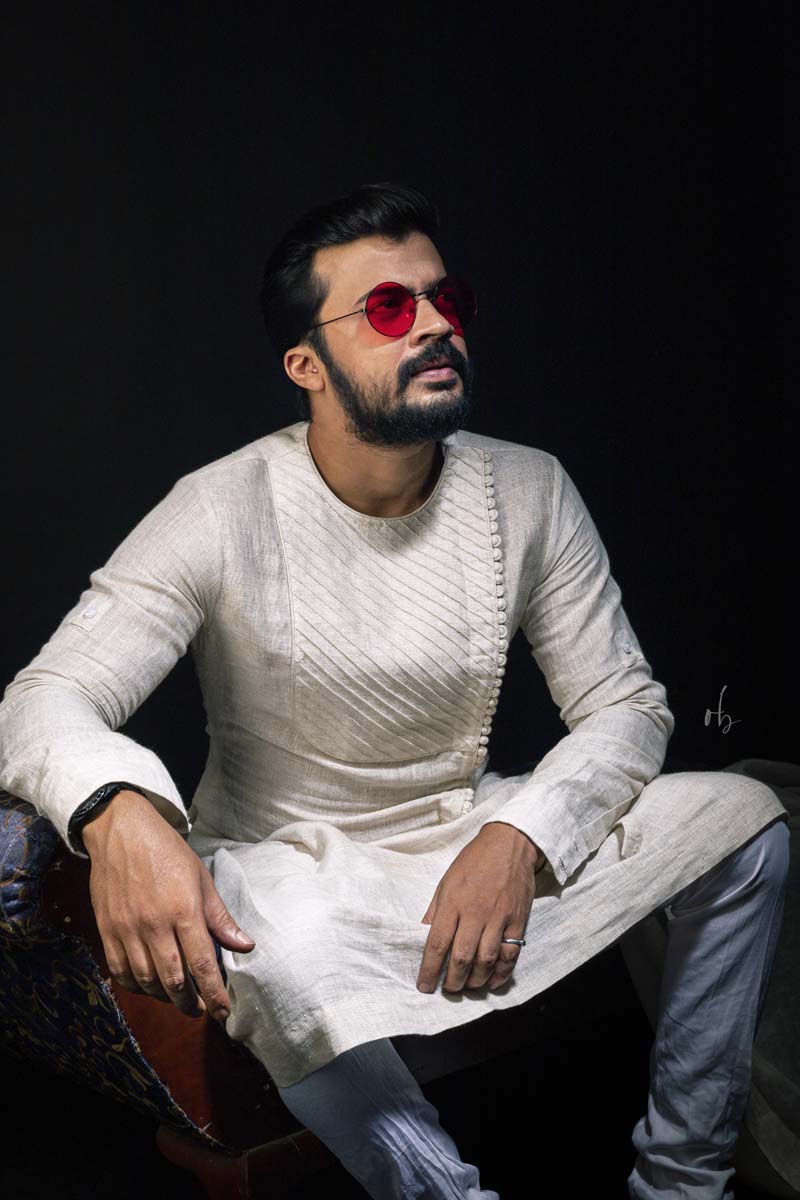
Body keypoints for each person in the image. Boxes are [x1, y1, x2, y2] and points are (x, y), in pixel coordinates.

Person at [0, 182, 789, 1200]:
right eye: (385, 309)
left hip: (470, 837)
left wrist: (520, 837)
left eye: (442, 299)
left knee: (743, 822)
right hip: (292, 872)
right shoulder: (219, 506)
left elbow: (627, 705)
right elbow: (43, 694)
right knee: (272, 945)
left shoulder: (529, 487)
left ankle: (682, 1180)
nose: (432, 326)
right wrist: (119, 814)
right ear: (305, 365)